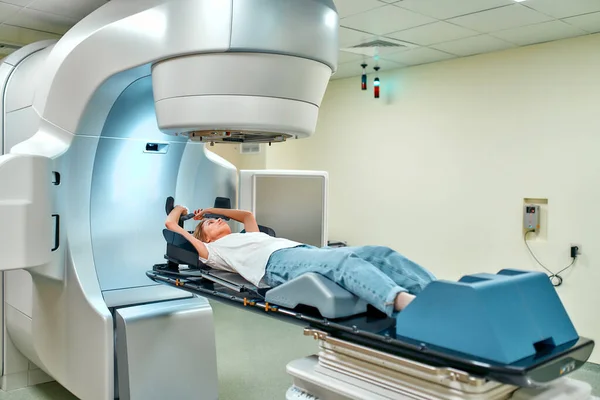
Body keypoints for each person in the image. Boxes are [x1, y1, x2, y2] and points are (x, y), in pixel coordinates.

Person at [165, 205, 436, 317]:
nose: (217, 221)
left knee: (379, 253)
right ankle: (406, 307)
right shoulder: (215, 252)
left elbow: (246, 215)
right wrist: (183, 211)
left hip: (300, 250)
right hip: (276, 264)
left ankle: (438, 293)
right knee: (343, 262)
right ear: (206, 239)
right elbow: (171, 223)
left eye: (217, 218)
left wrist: (210, 210)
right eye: (211, 223)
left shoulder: (250, 234)